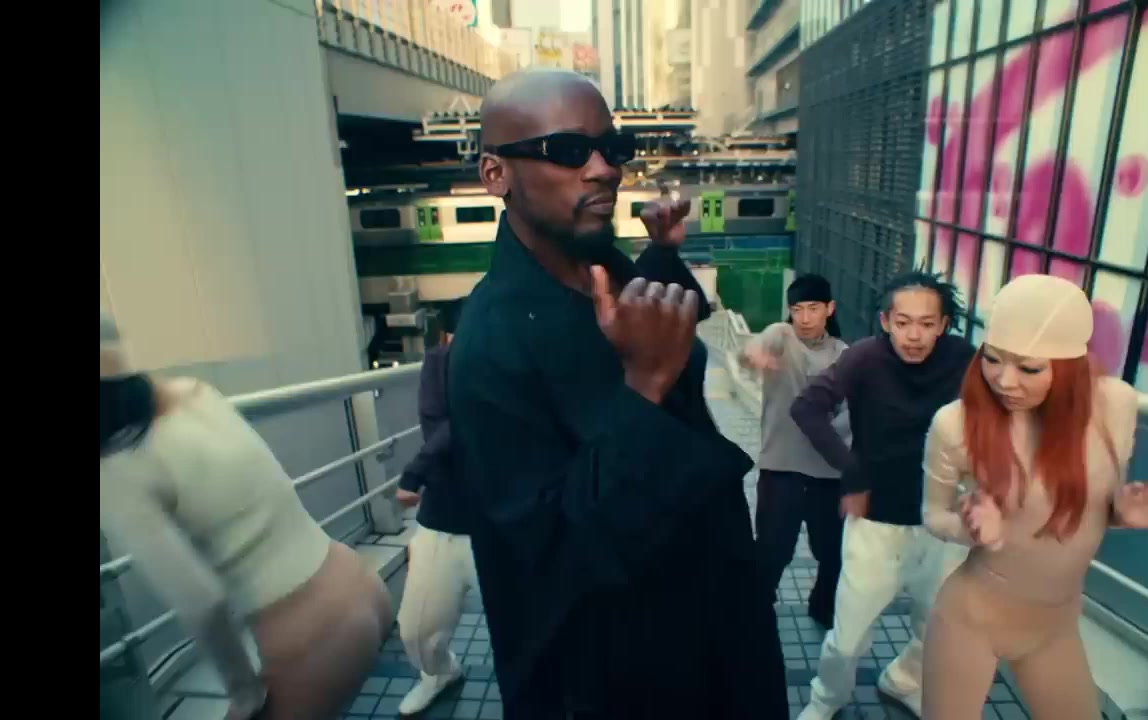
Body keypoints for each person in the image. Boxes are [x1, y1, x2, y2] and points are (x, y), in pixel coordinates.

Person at [447, 68, 788, 719]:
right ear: (495, 174)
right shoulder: (489, 344)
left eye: (614, 147)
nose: (605, 169)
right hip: (627, 678)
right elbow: (553, 556)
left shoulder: (601, 263)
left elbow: (651, 328)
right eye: (569, 150)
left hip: (716, 617)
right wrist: (643, 386)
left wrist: (660, 257)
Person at [98, 314, 393, 720]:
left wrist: (244, 693)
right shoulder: (193, 392)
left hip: (311, 636)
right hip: (360, 580)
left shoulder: (116, 468)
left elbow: (202, 603)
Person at [919, 274, 1148, 719]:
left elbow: (1090, 508)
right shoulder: (956, 424)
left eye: (1030, 368)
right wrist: (974, 530)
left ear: (1071, 365)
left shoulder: (1114, 405)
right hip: (972, 618)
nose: (1004, 381)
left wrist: (1126, 512)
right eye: (992, 359)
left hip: (1055, 626)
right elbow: (933, 514)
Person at [790, 270, 975, 720]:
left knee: (937, 627)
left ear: (943, 324)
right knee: (848, 637)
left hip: (944, 521)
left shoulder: (964, 359)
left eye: (927, 324)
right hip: (875, 521)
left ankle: (905, 680)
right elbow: (807, 408)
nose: (914, 335)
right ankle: (825, 700)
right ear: (886, 321)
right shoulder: (864, 358)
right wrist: (852, 475)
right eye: (903, 322)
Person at [740, 273, 850, 628]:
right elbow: (754, 347)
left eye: (813, 308)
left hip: (828, 475)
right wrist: (753, 354)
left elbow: (851, 415)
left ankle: (823, 607)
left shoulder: (844, 355)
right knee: (771, 550)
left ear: (829, 309)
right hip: (780, 468)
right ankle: (756, 613)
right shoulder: (782, 336)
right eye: (797, 309)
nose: (803, 318)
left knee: (832, 553)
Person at [391, 300, 477, 716]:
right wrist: (416, 474)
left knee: (529, 627)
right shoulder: (438, 364)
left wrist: (413, 474)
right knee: (416, 627)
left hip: (507, 521)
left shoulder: (519, 366)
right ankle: (439, 674)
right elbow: (453, 426)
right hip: (443, 519)